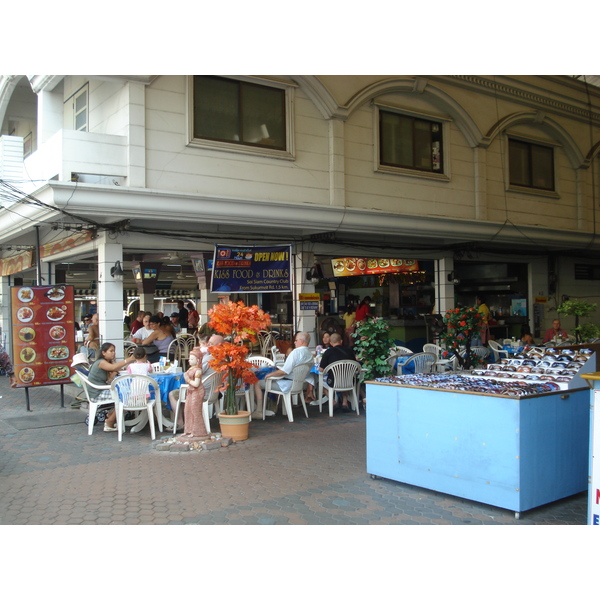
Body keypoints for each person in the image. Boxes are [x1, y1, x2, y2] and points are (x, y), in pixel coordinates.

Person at [86, 342, 136, 432]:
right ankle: (110, 422)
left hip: (100, 389)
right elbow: (113, 368)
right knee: (126, 396)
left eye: (114, 351)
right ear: (103, 353)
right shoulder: (101, 362)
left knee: (126, 394)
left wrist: (117, 370)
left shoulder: (106, 363)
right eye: (111, 351)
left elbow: (110, 377)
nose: (113, 353)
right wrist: (129, 359)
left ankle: (110, 415)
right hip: (97, 392)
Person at [262, 331, 313, 406]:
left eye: (296, 340)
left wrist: (269, 375)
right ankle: (273, 407)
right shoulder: (310, 354)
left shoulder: (295, 352)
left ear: (301, 341)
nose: (294, 342)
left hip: (287, 385)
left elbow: (284, 371)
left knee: (258, 383)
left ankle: (260, 410)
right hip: (300, 384)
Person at [318, 333, 359, 411]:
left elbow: (321, 369)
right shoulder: (349, 351)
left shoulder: (328, 352)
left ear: (330, 343)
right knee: (345, 378)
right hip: (349, 381)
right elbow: (356, 367)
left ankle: (333, 402)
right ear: (341, 341)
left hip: (333, 382)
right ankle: (345, 402)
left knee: (320, 383)